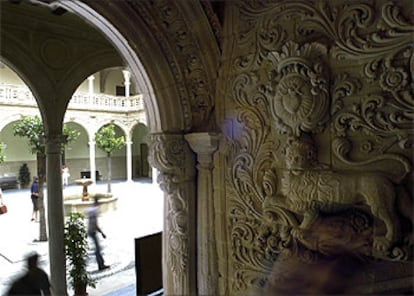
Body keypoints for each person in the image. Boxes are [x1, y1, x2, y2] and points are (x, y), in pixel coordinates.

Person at [87, 196, 110, 271]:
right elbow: (95, 224)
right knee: (98, 249)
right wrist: (102, 233)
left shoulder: (92, 209)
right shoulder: (95, 211)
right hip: (92, 231)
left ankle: (101, 263)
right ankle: (101, 264)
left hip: (91, 231)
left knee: (98, 248)